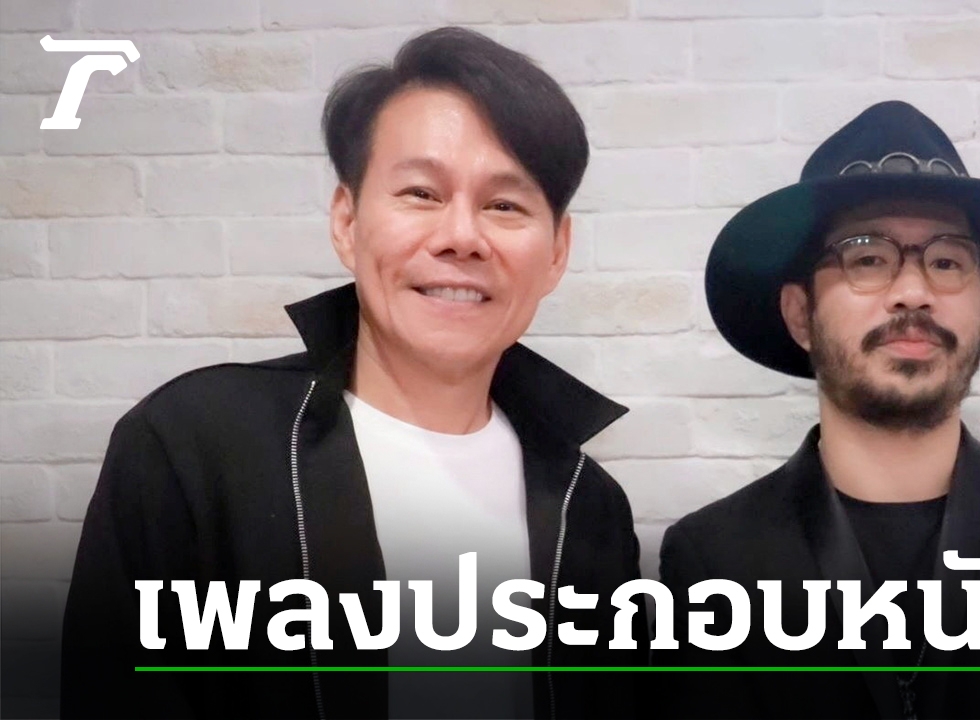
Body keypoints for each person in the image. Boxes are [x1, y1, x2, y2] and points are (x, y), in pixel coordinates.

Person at [61, 27, 645, 720]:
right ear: (347, 221)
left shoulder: (589, 507)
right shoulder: (195, 446)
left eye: (504, 205)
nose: (461, 237)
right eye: (421, 193)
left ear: (557, 251)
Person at [657, 101, 980, 719]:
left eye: (947, 261)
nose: (913, 292)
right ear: (801, 314)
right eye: (866, 257)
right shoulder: (714, 560)